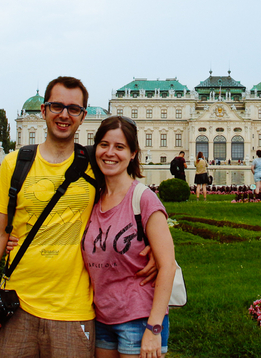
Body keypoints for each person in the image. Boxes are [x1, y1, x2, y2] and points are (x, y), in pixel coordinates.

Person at [0, 76, 156, 358]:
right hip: (17, 303)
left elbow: (135, 199)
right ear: (44, 110)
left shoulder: (95, 163)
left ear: (83, 117)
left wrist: (157, 249)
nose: (64, 115)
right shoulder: (15, 163)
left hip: (73, 310)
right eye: (57, 106)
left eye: (73, 109)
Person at [82, 116, 176, 358]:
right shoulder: (93, 199)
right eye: (104, 145)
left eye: (120, 147)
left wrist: (154, 328)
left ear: (133, 153)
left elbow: (167, 266)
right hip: (102, 317)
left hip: (140, 318)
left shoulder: (143, 199)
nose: (110, 153)